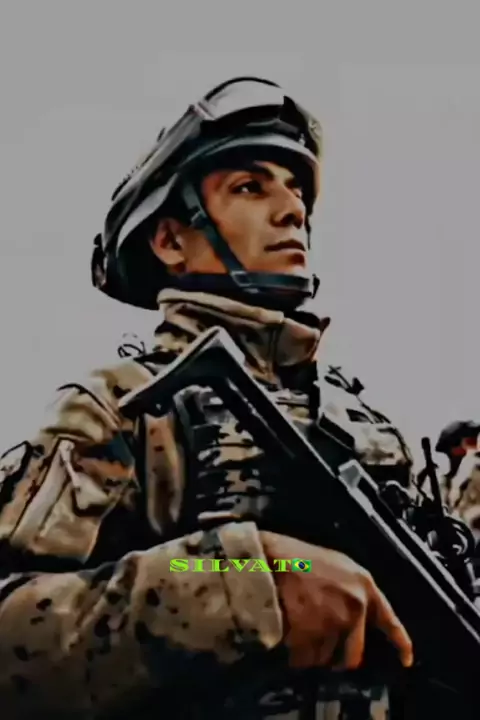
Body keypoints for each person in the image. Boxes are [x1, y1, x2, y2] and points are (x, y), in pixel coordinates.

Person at [0, 76, 415, 719]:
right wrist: (243, 582)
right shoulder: (122, 408)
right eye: (250, 187)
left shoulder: (366, 425)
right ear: (171, 241)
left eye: (296, 189)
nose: (292, 210)